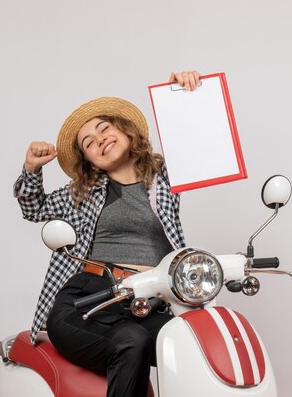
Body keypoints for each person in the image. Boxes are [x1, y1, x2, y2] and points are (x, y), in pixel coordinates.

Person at [13, 71, 200, 397]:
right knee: (132, 341)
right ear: (89, 160)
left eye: (104, 129)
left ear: (125, 131)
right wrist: (31, 169)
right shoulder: (81, 193)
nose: (99, 139)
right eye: (89, 142)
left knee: (195, 342)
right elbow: (32, 208)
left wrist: (184, 96)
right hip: (88, 301)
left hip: (148, 303)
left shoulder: (164, 180)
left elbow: (200, 145)